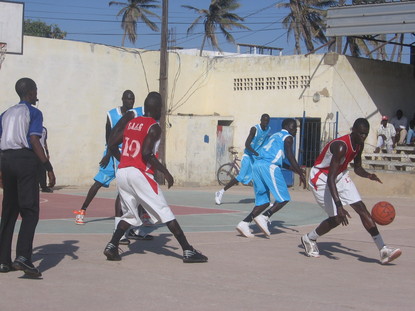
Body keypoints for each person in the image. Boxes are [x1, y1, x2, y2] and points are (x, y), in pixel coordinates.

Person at [103, 91, 208, 263]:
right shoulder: (154, 126)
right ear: (158, 108)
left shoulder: (131, 122)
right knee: (165, 211)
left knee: (129, 213)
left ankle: (112, 245)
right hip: (139, 174)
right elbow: (146, 153)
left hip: (123, 172)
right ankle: (188, 251)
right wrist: (165, 172)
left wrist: (124, 159)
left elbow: (112, 142)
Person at [302, 118, 402, 264]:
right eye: (361, 133)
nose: (363, 137)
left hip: (340, 175)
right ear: (353, 130)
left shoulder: (359, 145)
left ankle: (383, 250)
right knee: (336, 218)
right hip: (321, 178)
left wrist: (368, 175)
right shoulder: (341, 146)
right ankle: (309, 238)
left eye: (365, 134)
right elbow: (330, 179)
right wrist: (339, 206)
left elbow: (357, 167)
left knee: (361, 208)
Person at [73, 90, 152, 243]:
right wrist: (108, 154)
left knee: (134, 188)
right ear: (122, 99)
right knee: (99, 183)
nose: (131, 101)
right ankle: (82, 210)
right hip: (112, 154)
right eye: (128, 99)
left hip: (128, 154)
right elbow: (109, 136)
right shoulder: (112, 114)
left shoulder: (136, 114)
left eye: (133, 99)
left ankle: (135, 226)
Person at [0, 78, 56, 277]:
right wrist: (47, 166)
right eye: (36, 90)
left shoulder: (5, 114)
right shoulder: (34, 112)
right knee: (30, 210)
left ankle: (3, 261)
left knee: (8, 211)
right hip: (24, 160)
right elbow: (34, 139)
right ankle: (23, 257)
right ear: (31, 92)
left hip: (5, 160)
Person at [236, 118, 306, 237]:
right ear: (288, 127)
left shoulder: (274, 136)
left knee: (263, 202)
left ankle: (244, 223)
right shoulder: (288, 137)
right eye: (294, 128)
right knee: (284, 198)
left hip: (257, 166)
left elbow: (280, 161)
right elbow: (290, 156)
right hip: (268, 166)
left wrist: (294, 170)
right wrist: (300, 172)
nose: (296, 130)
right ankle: (265, 216)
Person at [215, 114, 271, 205]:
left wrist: (263, 153)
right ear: (260, 120)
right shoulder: (254, 129)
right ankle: (220, 192)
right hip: (248, 156)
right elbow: (247, 144)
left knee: (259, 178)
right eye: (264, 120)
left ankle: (264, 201)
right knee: (240, 177)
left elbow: (263, 143)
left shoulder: (268, 129)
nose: (266, 122)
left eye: (267, 121)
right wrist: (255, 152)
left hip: (256, 157)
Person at [38, 126, 53, 193]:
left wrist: (47, 152)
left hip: (41, 150)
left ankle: (43, 186)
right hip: (32, 149)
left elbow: (44, 142)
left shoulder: (44, 129)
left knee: (42, 169)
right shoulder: (30, 127)